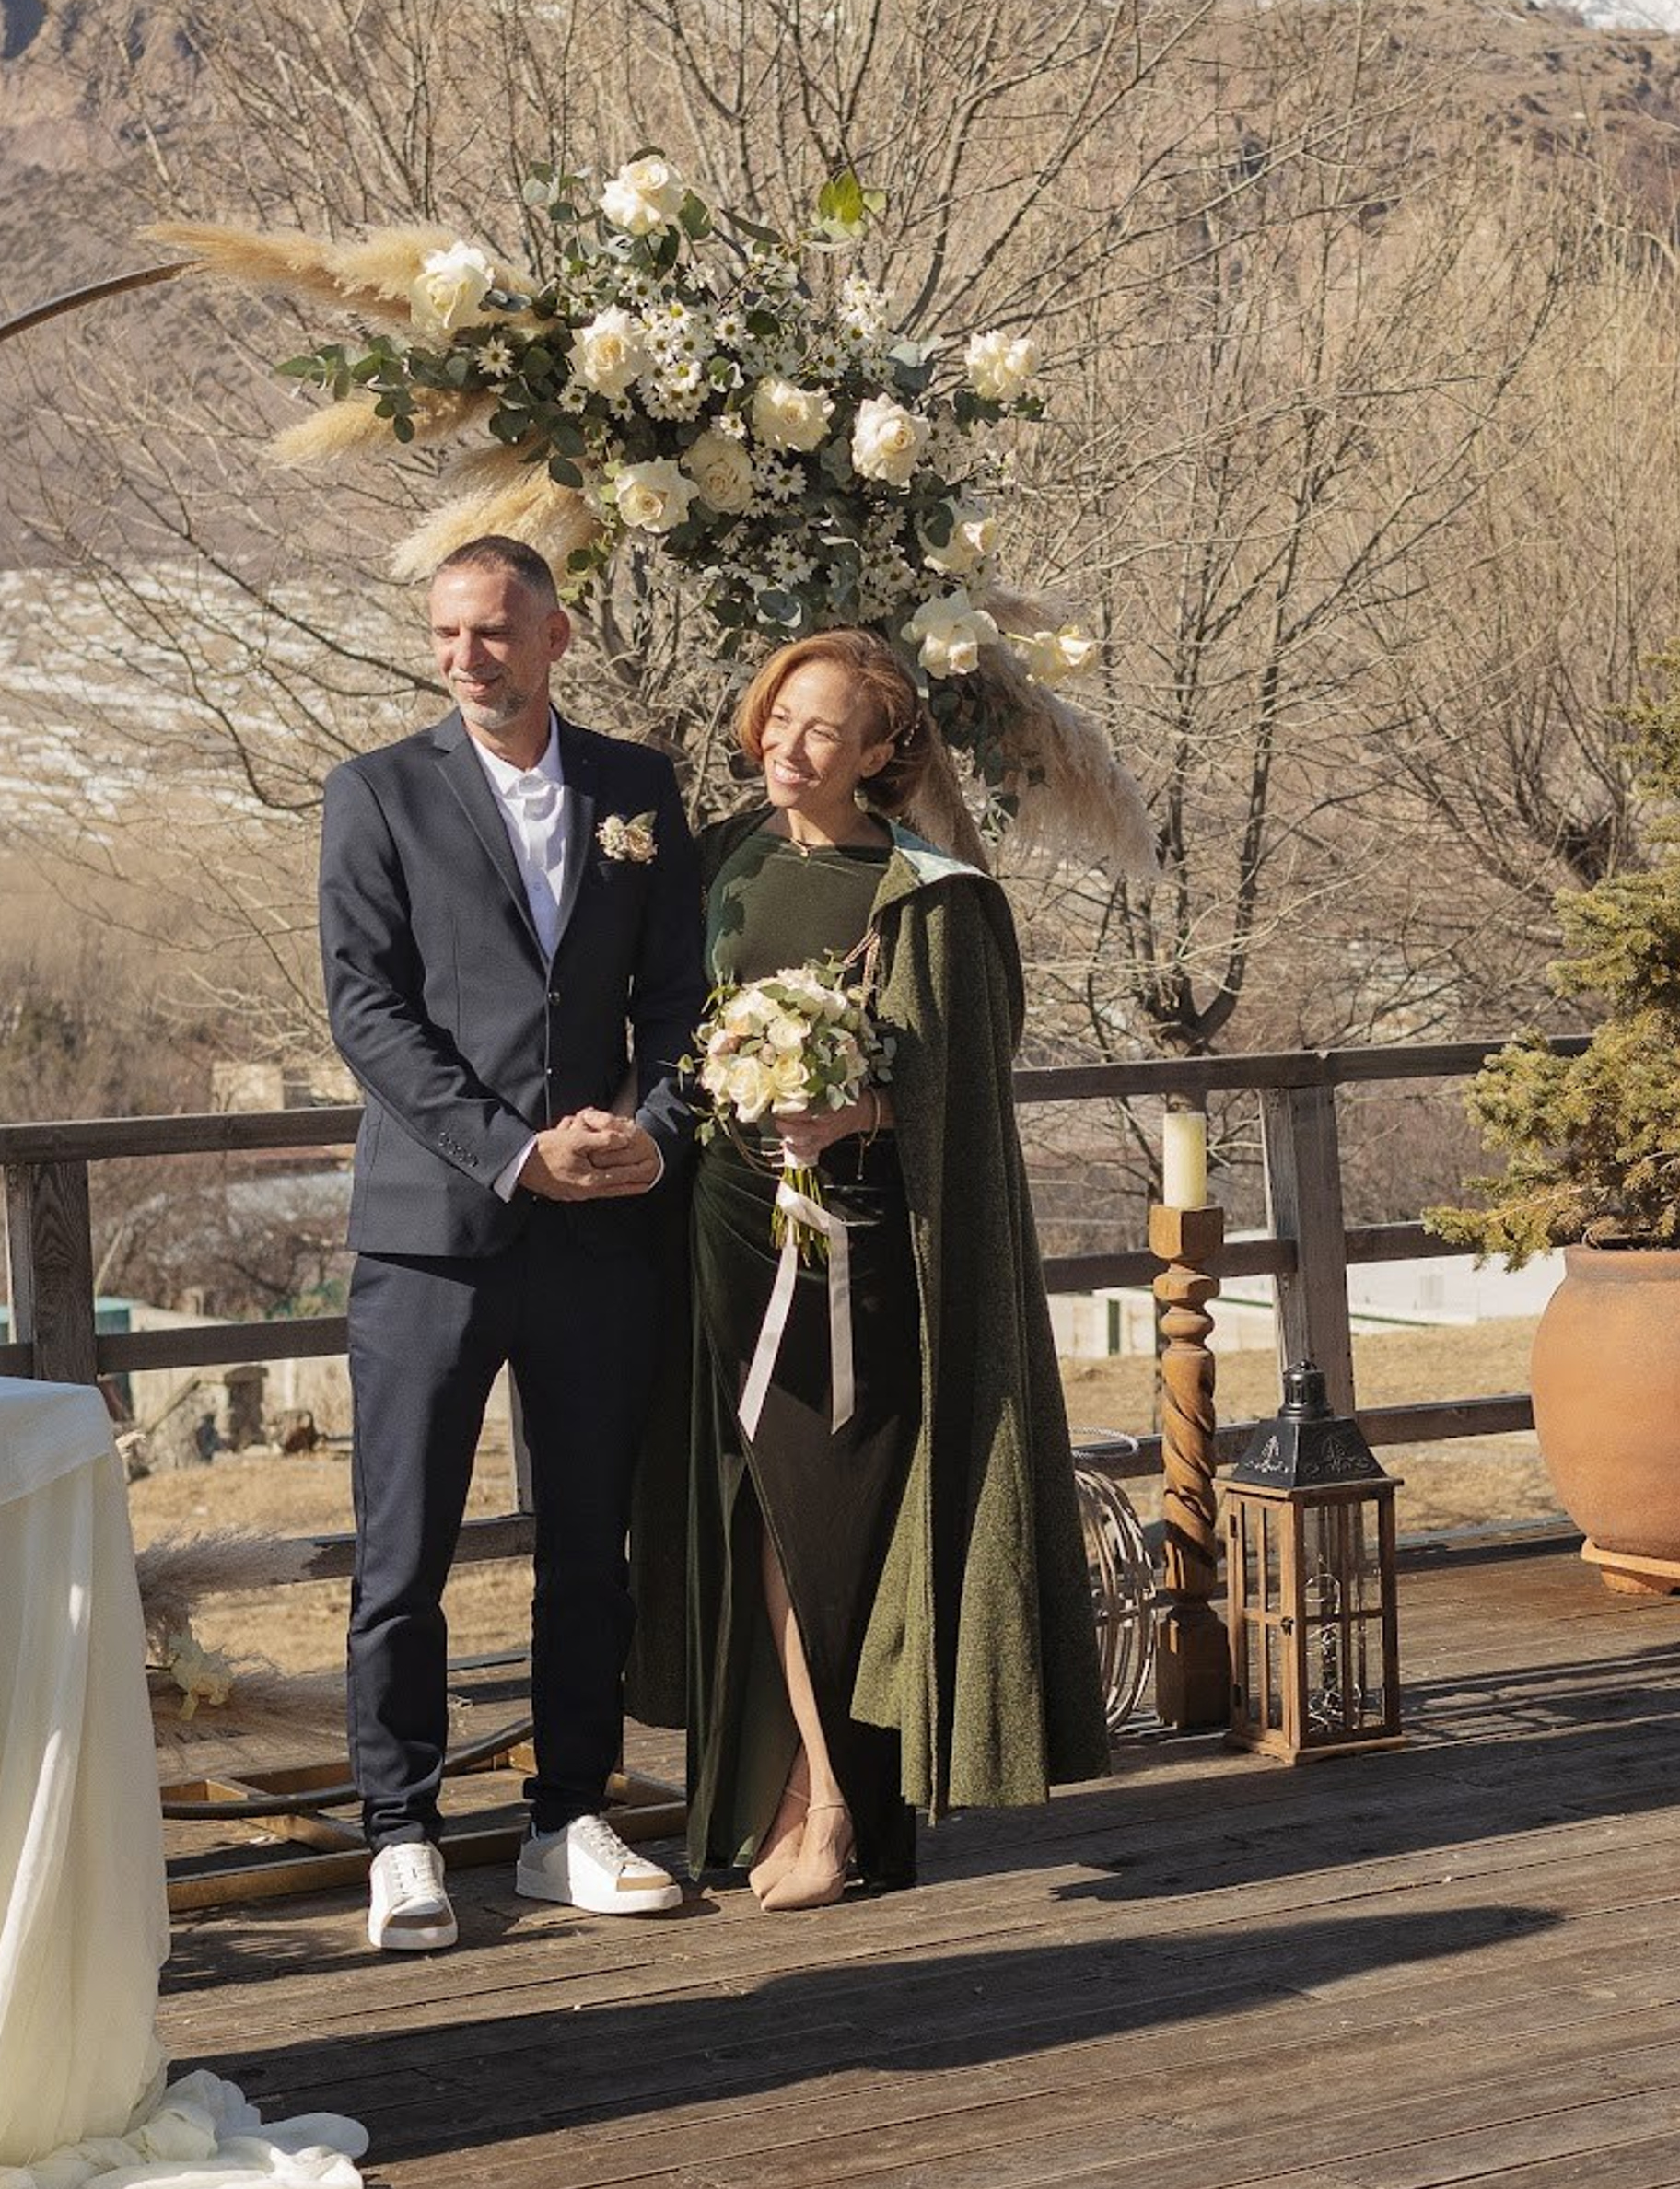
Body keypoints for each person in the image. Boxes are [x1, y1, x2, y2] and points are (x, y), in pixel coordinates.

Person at [660, 627, 1108, 1906]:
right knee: (761, 1525)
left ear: (878, 752)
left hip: (849, 1254)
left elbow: (963, 1086)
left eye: (820, 730)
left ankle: (847, 1806)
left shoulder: (927, 894)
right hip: (727, 1231)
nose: (786, 746)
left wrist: (853, 1115)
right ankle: (794, 1787)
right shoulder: (727, 859)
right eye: (776, 718)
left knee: (834, 1528)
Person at [321, 535, 706, 1950]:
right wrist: (508, 1149)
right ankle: (402, 1832)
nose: (465, 657)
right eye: (445, 636)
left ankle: (566, 1819)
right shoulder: (374, 794)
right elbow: (367, 1013)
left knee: (588, 1543)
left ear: (555, 636)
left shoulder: (637, 791)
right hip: (432, 1231)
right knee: (401, 1550)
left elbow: (679, 995)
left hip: (602, 1228)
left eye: (491, 632)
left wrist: (651, 1128)